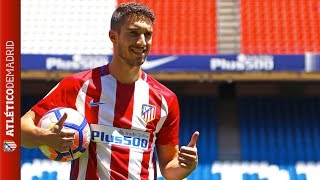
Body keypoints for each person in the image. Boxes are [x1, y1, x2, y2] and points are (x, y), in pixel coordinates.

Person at [21, 2, 199, 180]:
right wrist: (44, 136)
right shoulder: (78, 86)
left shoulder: (165, 99)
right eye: (134, 33)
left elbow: (169, 168)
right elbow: (19, 131)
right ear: (113, 36)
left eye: (148, 34)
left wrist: (186, 166)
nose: (142, 42)